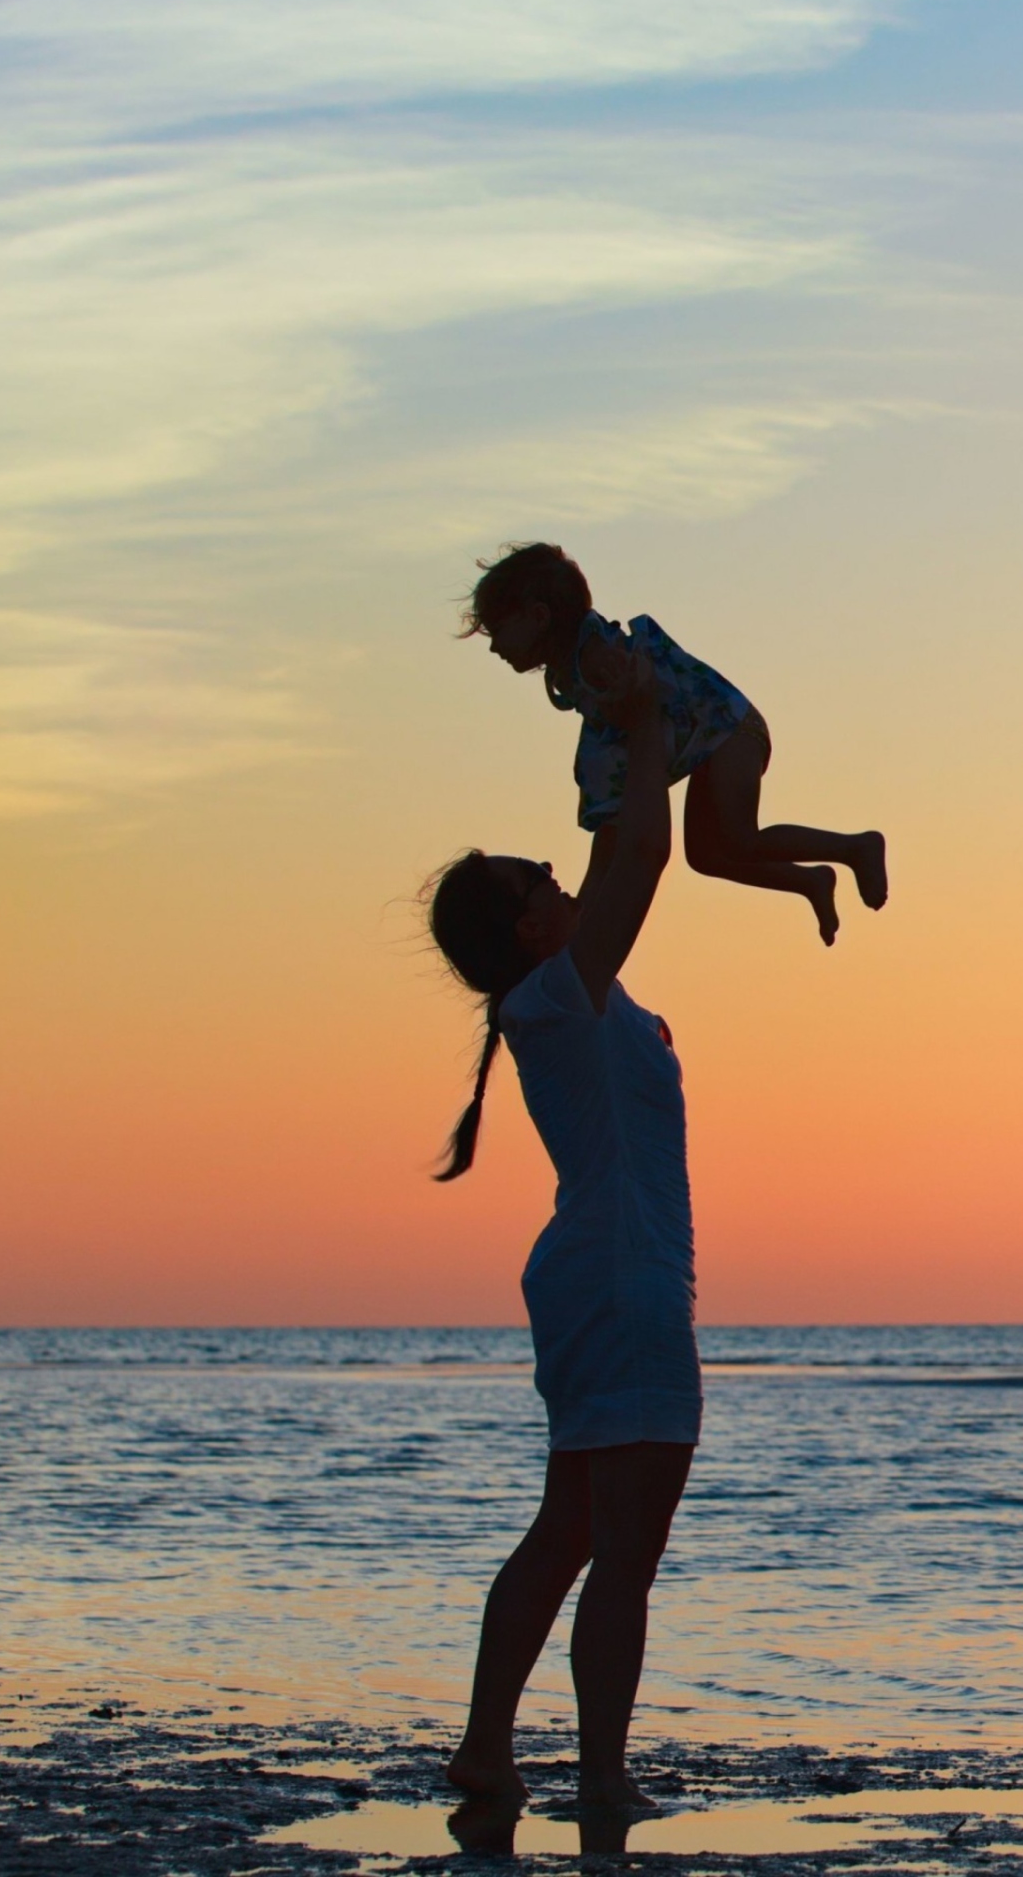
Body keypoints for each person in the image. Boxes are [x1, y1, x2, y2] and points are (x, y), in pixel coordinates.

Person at [425, 650, 698, 1815]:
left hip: (597, 1278)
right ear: (531, 925)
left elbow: (613, 854)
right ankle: (600, 1780)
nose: (558, 865)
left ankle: (492, 1749)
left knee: (572, 1528)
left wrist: (635, 735)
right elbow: (638, 853)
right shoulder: (559, 990)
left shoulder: (561, 996)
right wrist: (641, 726)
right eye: (540, 872)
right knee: (618, 1551)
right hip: (623, 1284)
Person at [463, 540, 888, 945]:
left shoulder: (598, 661)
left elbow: (632, 728)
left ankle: (854, 847)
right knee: (706, 856)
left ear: (539, 617)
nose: (494, 646)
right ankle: (810, 879)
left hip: (728, 727)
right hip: (708, 740)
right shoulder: (571, 668)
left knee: (738, 837)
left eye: (498, 630)